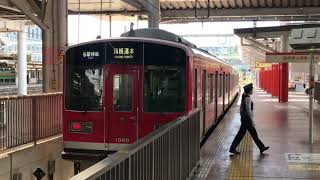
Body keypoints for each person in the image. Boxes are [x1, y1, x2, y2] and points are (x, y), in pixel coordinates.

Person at [229, 83, 269, 154]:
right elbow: (248, 110)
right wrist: (252, 121)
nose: (252, 91)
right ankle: (232, 148)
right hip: (247, 120)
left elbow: (242, 108)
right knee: (244, 134)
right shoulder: (247, 98)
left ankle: (261, 147)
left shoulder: (244, 95)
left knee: (250, 134)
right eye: (251, 90)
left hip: (245, 119)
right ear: (249, 91)